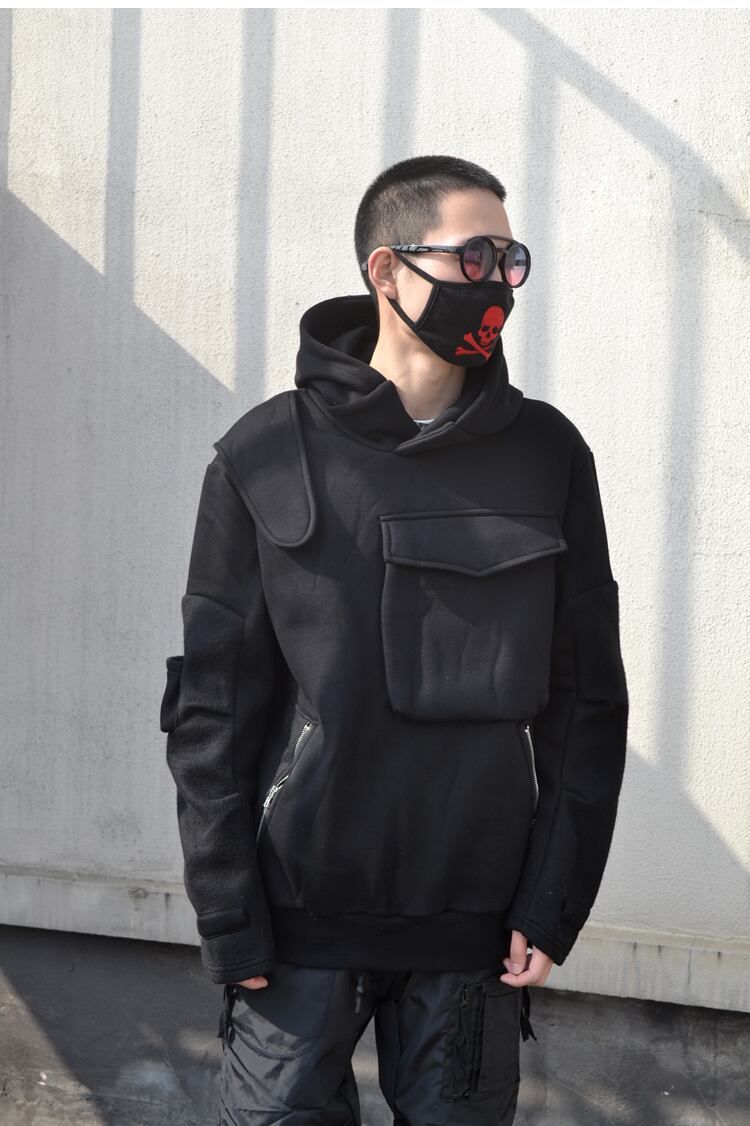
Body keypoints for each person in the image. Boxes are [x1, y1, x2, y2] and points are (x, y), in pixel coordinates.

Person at [161, 154, 629, 1125]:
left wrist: (554, 900)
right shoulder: (264, 454)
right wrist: (227, 911)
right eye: (473, 257)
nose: (496, 283)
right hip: (297, 926)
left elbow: (588, 703)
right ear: (386, 269)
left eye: (510, 260)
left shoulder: (547, 456)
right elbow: (212, 710)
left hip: (475, 929)